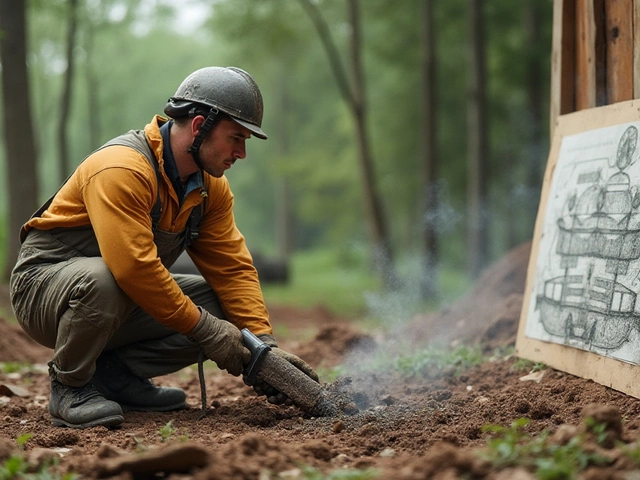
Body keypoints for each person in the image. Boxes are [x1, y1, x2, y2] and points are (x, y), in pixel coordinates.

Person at [9, 66, 318, 429]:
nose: (242, 152)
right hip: (44, 290)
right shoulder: (121, 168)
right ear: (200, 124)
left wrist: (263, 346)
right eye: (236, 137)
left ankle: (115, 376)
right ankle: (69, 387)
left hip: (118, 295)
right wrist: (207, 331)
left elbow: (232, 270)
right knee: (106, 279)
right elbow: (133, 269)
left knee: (221, 308)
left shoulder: (209, 189)